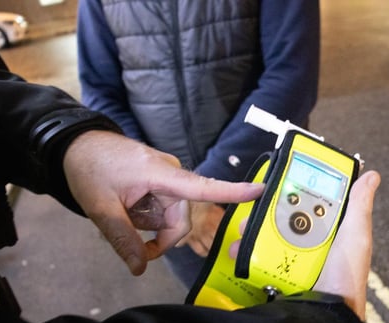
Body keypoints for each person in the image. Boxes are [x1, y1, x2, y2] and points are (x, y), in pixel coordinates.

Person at [0, 36, 381, 323]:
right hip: (177, 200)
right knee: (227, 315)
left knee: (258, 319)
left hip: (206, 188)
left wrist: (69, 141)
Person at [77, 0, 321, 289]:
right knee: (217, 318)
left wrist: (202, 188)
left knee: (301, 314)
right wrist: (167, 190)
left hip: (268, 186)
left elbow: (292, 76)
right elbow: (100, 93)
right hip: (177, 212)